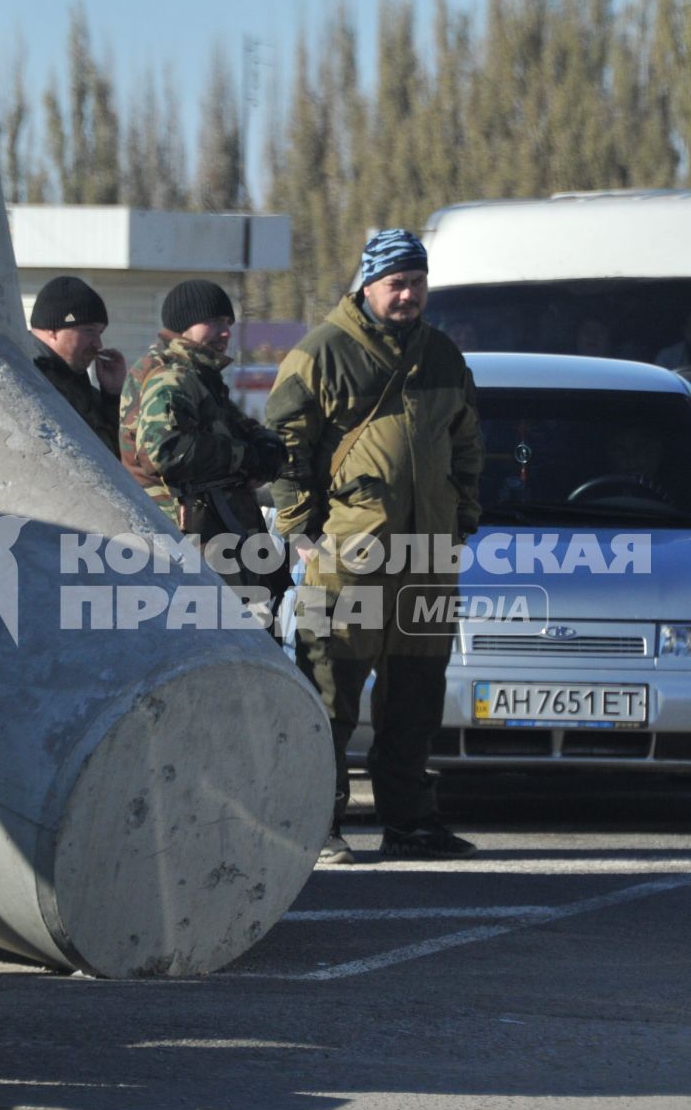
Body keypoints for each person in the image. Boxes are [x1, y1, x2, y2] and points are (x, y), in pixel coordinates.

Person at [266, 228, 482, 865]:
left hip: (428, 560)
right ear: (368, 283)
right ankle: (316, 824)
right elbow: (283, 447)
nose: (409, 294)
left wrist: (463, 516)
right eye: (397, 283)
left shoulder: (442, 355)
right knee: (328, 692)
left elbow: (467, 442)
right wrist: (301, 531)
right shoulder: (322, 354)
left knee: (416, 694)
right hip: (347, 559)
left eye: (417, 282)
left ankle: (411, 822)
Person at [120, 280, 289, 615]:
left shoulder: (199, 375)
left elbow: (244, 431)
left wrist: (265, 452)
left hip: (221, 532)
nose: (224, 332)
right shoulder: (171, 376)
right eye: (213, 322)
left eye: (228, 323)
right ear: (185, 325)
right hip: (196, 538)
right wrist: (244, 458)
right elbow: (165, 451)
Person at [29, 274, 126, 456]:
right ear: (53, 330)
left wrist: (112, 396)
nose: (98, 344)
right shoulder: (28, 380)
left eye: (100, 333)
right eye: (89, 331)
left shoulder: (75, 385)